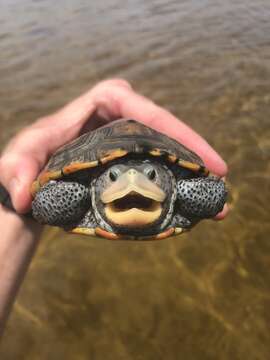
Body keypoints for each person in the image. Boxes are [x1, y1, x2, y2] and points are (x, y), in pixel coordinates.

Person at [0, 79, 228, 335]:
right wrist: (32, 198)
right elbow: (44, 202)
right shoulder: (80, 190)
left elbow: (214, 191)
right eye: (113, 177)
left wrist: (14, 202)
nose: (132, 183)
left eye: (151, 176)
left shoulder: (180, 190)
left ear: (166, 181)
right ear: (98, 184)